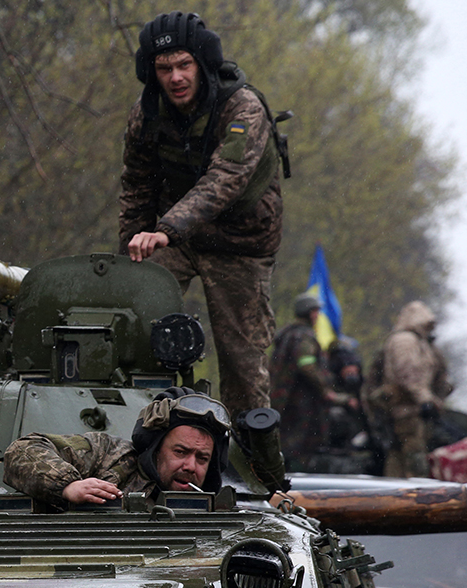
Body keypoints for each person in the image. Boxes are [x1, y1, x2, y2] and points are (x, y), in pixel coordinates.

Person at [119, 11, 284, 418]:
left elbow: (225, 178)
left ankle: (256, 467)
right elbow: (137, 185)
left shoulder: (243, 108)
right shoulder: (146, 115)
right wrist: (128, 255)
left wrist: (166, 229)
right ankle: (134, 435)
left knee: (241, 360)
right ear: (151, 71)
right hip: (173, 237)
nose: (175, 77)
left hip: (239, 243)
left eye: (183, 65)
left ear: (202, 63)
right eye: (164, 68)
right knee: (128, 330)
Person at [2, 388, 230, 509]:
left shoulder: (215, 509)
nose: (190, 466)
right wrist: (68, 485)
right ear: (155, 448)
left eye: (202, 458)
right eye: (180, 452)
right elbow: (23, 450)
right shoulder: (107, 456)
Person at [269, 293, 355, 470]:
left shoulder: (289, 334)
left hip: (287, 400)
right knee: (298, 448)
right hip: (301, 403)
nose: (317, 315)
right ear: (307, 312)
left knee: (287, 443)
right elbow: (306, 365)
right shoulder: (303, 336)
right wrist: (325, 389)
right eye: (315, 311)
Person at [373, 301, 453, 478]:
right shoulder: (405, 340)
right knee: (413, 455)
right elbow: (407, 373)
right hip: (405, 408)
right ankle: (414, 496)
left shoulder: (415, 340)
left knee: (399, 455)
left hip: (407, 408)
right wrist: (425, 399)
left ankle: (393, 496)